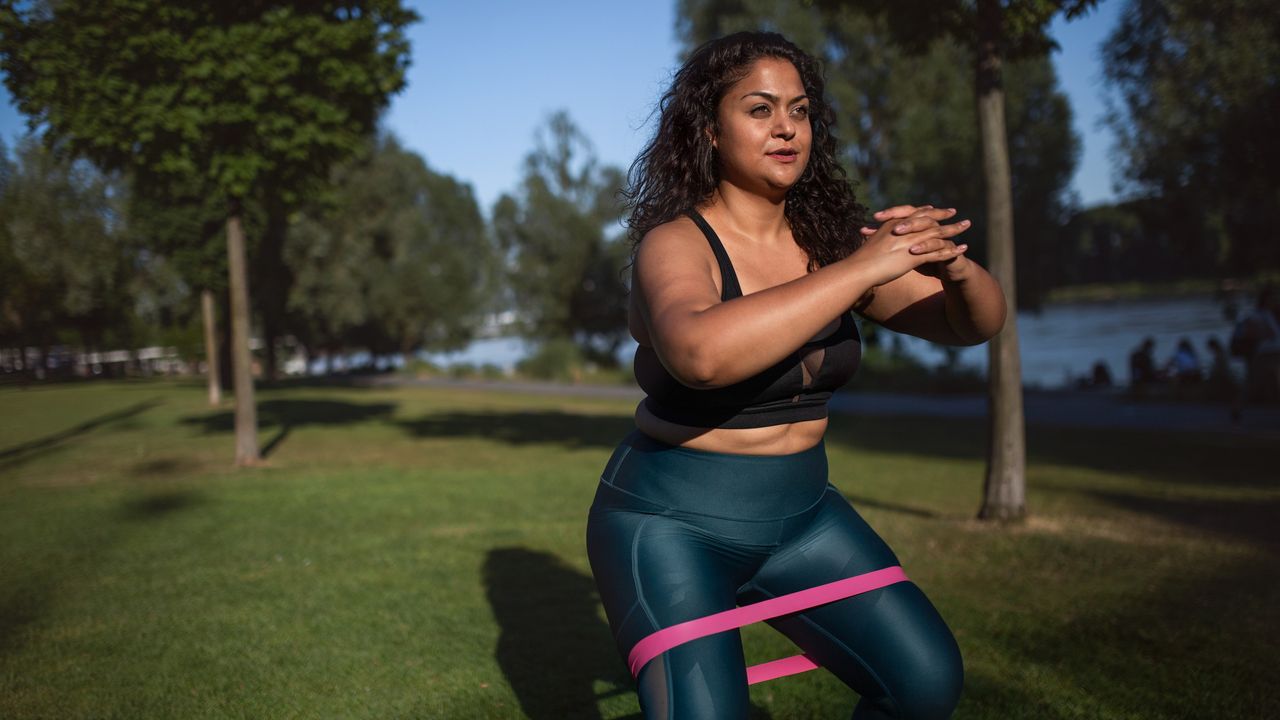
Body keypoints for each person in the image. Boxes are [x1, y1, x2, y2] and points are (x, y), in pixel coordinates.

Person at [586, 32, 1006, 719]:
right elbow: (700, 354)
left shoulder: (829, 247)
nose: (786, 126)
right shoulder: (674, 242)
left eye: (800, 110)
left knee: (924, 682)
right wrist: (864, 268)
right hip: (668, 524)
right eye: (759, 109)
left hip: (802, 519)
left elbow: (974, 324)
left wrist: (952, 264)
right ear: (710, 130)